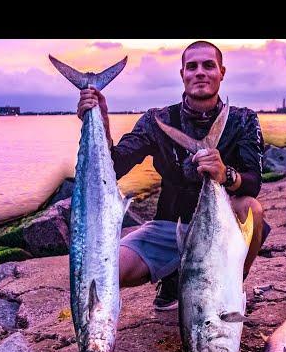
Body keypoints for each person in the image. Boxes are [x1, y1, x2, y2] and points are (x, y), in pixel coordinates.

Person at [76, 41, 268, 311]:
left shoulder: (244, 120)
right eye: (192, 66)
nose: (200, 72)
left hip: (221, 227)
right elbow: (115, 166)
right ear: (182, 75)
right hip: (168, 229)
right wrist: (101, 120)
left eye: (208, 65)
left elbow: (254, 182)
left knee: (252, 210)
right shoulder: (158, 120)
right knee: (106, 272)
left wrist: (226, 175)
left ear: (221, 72)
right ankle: (172, 278)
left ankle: (230, 289)